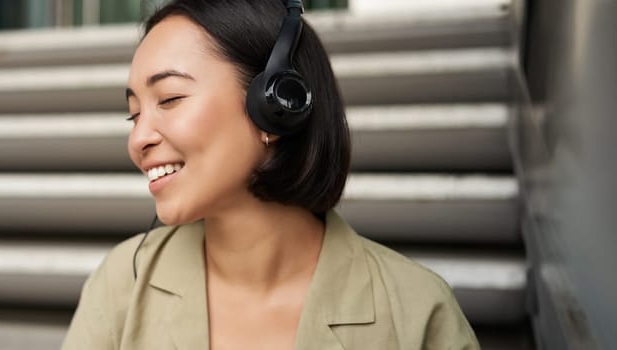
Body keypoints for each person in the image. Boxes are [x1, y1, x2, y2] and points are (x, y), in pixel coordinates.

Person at [63, 0, 480, 349]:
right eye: (133, 114)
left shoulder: (419, 311)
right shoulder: (122, 283)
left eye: (169, 98)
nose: (138, 140)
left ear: (277, 105)